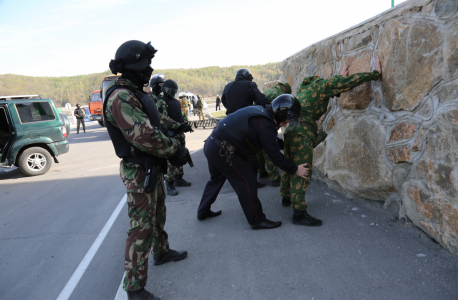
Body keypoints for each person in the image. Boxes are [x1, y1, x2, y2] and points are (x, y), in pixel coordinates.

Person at [105, 40, 190, 300]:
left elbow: (154, 117)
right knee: (141, 228)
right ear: (133, 68)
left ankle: (161, 252)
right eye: (145, 65)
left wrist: (177, 126)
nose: (149, 70)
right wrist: (175, 149)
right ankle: (134, 288)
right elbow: (144, 135)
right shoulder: (120, 97)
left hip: (152, 167)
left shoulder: (137, 92)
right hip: (139, 170)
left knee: (158, 215)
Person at [280, 57, 383, 227]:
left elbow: (333, 87)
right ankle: (298, 212)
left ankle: (286, 196)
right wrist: (374, 73)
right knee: (302, 169)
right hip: (303, 132)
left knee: (290, 164)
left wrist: (338, 78)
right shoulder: (322, 85)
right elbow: (348, 82)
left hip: (291, 130)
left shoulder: (304, 89)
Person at [197, 95, 309, 230]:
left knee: (217, 178)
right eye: (286, 121)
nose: (286, 124)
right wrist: (295, 170)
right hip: (223, 149)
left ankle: (202, 211)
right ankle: (257, 220)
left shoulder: (263, 113)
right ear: (281, 114)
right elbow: (274, 155)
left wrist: (284, 144)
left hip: (213, 144)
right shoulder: (265, 124)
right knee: (247, 180)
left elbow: (269, 142)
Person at [221, 68, 270, 188]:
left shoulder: (228, 86)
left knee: (231, 153)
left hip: (229, 123)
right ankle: (252, 181)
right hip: (245, 123)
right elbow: (261, 100)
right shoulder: (250, 85)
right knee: (250, 153)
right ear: (248, 77)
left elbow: (224, 100)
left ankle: (236, 180)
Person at [157, 80, 192, 195]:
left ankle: (179, 179)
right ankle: (170, 183)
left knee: (181, 156)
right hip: (170, 134)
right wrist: (179, 126)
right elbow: (163, 119)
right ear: (166, 90)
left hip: (179, 133)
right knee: (171, 159)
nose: (174, 93)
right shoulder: (161, 102)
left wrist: (185, 124)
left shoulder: (175, 102)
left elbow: (180, 115)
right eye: (172, 91)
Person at [256, 82, 292, 186]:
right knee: (269, 150)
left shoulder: (270, 90)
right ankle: (275, 178)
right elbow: (277, 113)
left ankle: (261, 171)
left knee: (260, 149)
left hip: (259, 122)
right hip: (267, 123)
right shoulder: (277, 95)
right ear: (285, 90)